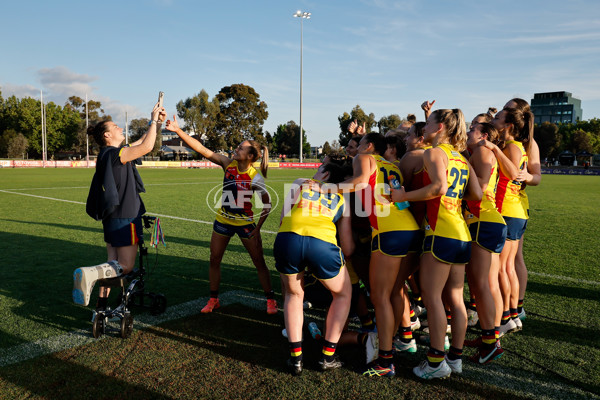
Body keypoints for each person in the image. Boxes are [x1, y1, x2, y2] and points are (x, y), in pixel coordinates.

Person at [315, 132, 421, 378]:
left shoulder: (365, 157)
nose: (357, 148)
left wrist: (326, 187)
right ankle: (395, 342)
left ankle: (385, 359)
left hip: (389, 231)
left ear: (369, 146)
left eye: (360, 143)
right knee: (395, 291)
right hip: (411, 230)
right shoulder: (392, 166)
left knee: (380, 297)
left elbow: (361, 181)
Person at [392, 108, 482, 379]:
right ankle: (455, 358)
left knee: (432, 298)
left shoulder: (435, 152)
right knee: (456, 299)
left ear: (440, 126)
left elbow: (439, 187)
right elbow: (477, 193)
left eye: (429, 122)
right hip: (461, 233)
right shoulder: (462, 159)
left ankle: (435, 363)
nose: (425, 127)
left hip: (440, 231)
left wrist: (402, 195)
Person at [164, 116, 277, 315]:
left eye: (241, 148)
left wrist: (257, 230)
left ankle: (270, 300)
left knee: (259, 261)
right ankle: (214, 299)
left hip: (245, 224)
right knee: (214, 259)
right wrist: (178, 131)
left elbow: (267, 205)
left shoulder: (255, 177)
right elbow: (202, 149)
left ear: (250, 156)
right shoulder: (228, 164)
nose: (236, 148)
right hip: (223, 221)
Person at [86, 101, 166, 313]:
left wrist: (156, 123)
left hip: (112, 216)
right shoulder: (115, 155)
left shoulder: (110, 154)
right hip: (125, 217)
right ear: (107, 135)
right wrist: (151, 120)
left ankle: (101, 306)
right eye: (115, 127)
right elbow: (147, 147)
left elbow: (141, 141)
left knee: (111, 263)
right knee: (126, 265)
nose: (120, 128)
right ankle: (90, 275)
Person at [275, 162, 354, 375]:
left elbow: (283, 218)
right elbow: (346, 246)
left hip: (288, 238)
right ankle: (327, 356)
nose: (315, 172)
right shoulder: (342, 199)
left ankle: (296, 360)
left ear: (325, 174)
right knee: (343, 294)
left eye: (319, 169)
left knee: (293, 294)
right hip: (322, 244)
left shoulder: (301, 182)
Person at [463, 122, 510, 363]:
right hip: (489, 220)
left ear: (483, 136)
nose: (468, 131)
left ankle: (491, 344)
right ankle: (489, 338)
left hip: (483, 218)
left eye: (472, 128)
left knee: (479, 285)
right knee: (486, 286)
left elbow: (479, 188)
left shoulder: (482, 151)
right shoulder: (482, 152)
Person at [490, 107, 534, 335]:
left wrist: (495, 150)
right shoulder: (516, 146)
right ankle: (513, 315)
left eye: (498, 118)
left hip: (507, 209)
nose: (494, 120)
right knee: (508, 267)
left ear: (508, 126)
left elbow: (511, 174)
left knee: (502, 268)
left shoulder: (512, 147)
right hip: (514, 210)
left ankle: (507, 316)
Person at [503, 98, 542, 321]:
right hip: (502, 203)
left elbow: (537, 177)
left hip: (516, 203)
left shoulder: (529, 143)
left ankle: (517, 306)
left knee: (515, 258)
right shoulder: (505, 138)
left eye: (508, 109)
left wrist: (528, 176)